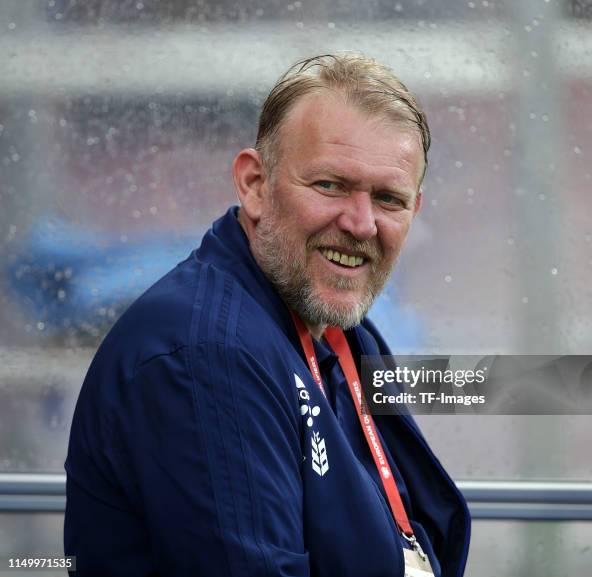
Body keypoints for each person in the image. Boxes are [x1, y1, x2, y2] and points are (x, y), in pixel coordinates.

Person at [64, 53, 470, 577]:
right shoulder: (208, 356)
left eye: (388, 199)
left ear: (414, 211)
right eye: (330, 185)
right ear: (254, 184)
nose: (362, 223)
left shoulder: (344, 335)